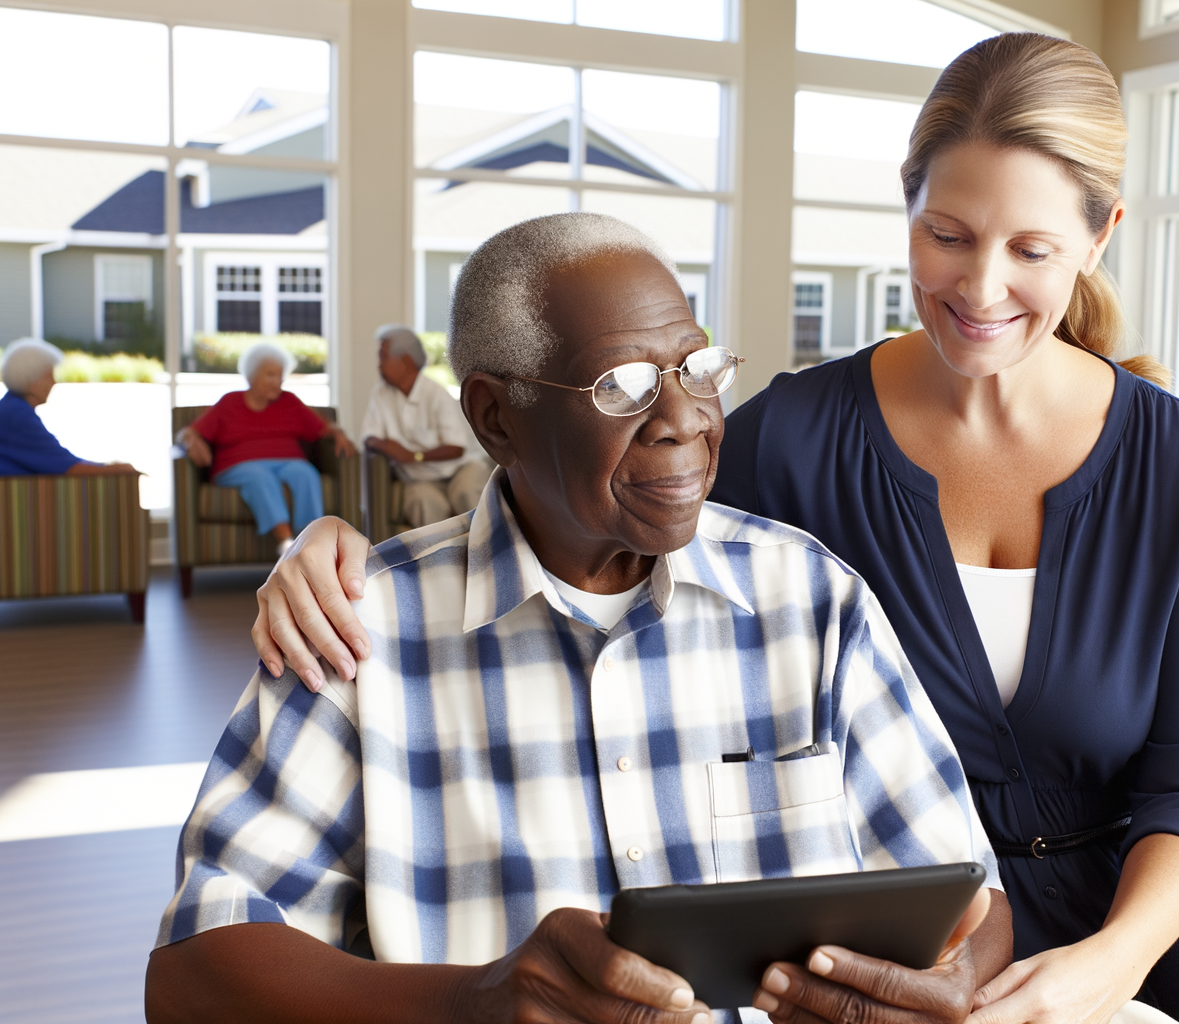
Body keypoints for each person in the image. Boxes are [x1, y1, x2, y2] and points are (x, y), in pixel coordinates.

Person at [243, 36, 1179, 1024]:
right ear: (908, 211)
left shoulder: (1178, 458)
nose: (980, 286)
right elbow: (589, 533)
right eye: (948, 234)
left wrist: (1108, 965)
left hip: (1153, 893)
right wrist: (337, 541)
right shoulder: (785, 438)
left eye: (1030, 248)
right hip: (922, 908)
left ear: (1099, 235)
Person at [146, 214, 1010, 1024]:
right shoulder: (359, 629)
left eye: (697, 368)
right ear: (495, 417)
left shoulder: (811, 598)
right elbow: (189, 974)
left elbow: (969, 895)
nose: (684, 421)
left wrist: (956, 982)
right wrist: (471, 1003)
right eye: (623, 386)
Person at [173, 342, 356, 557]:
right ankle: (288, 544)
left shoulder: (289, 402)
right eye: (270, 375)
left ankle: (311, 545)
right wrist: (189, 441)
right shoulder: (229, 403)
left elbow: (323, 427)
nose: (277, 381)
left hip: (288, 462)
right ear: (251, 376)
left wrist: (339, 434)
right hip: (238, 466)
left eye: (280, 376)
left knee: (305, 473)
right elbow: (188, 432)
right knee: (259, 477)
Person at [361, 323, 491, 529]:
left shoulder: (436, 394)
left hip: (461, 468)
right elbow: (370, 437)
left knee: (466, 491)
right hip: (421, 479)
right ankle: (438, 558)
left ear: (405, 361)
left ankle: (484, 552)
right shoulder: (381, 394)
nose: (378, 365)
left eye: (383, 357)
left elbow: (456, 448)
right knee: (422, 501)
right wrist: (389, 447)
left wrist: (413, 456)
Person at [0, 338, 137, 477]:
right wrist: (114, 470)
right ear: (31, 380)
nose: (54, 383)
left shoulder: (12, 408)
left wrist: (105, 467)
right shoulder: (16, 416)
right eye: (49, 376)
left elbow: (58, 461)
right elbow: (67, 468)